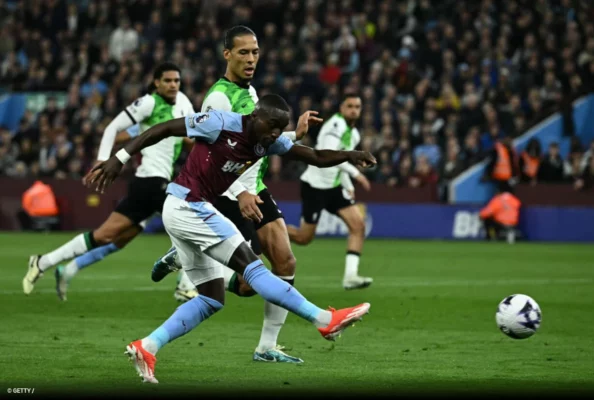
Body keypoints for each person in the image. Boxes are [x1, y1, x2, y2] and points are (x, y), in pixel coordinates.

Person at [84, 95, 376, 384]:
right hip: (189, 205)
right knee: (254, 268)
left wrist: (350, 155)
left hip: (187, 210)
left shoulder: (267, 141)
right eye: (271, 125)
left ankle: (146, 346)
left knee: (211, 298)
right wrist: (119, 159)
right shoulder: (219, 122)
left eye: (280, 127)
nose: (275, 133)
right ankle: (324, 321)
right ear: (255, 116)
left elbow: (314, 156)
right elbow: (161, 129)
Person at [151, 26, 310, 363]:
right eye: (243, 52)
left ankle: (266, 347)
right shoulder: (219, 98)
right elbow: (213, 151)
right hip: (229, 190)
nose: (251, 58)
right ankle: (185, 253)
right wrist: (239, 192)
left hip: (256, 188)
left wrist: (295, 134)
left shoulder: (252, 95)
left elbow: (260, 140)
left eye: (254, 52)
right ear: (227, 55)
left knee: (284, 261)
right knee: (249, 279)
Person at [22, 62, 199, 302]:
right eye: (167, 80)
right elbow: (112, 128)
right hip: (150, 181)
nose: (173, 85)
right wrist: (103, 160)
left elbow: (189, 138)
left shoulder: (184, 103)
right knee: (192, 222)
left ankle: (45, 262)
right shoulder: (148, 103)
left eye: (176, 81)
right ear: (157, 82)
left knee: (108, 237)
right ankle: (185, 286)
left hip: (152, 183)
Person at [287, 94, 373, 290]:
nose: (353, 110)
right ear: (341, 108)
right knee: (303, 238)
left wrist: (348, 185)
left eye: (357, 107)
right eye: (349, 106)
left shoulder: (355, 134)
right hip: (315, 186)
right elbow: (327, 155)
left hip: (334, 187)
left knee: (358, 226)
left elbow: (340, 160)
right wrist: (356, 174)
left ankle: (350, 276)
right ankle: (266, 230)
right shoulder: (335, 126)